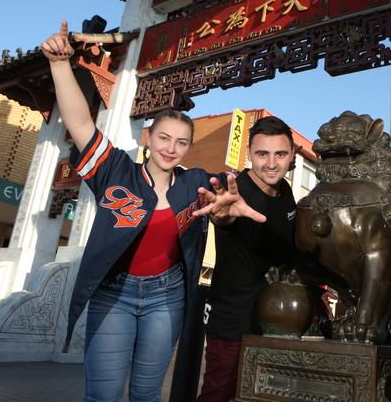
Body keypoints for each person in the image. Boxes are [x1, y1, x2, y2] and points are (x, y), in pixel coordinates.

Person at [41, 21, 265, 402]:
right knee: (104, 394)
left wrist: (227, 211)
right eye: (163, 138)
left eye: (181, 142)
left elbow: (232, 193)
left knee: (147, 393)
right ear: (149, 139)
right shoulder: (116, 170)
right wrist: (61, 65)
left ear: (189, 148)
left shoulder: (195, 182)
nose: (171, 148)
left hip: (166, 296)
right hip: (115, 293)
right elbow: (80, 123)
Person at [195, 116, 298, 402]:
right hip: (234, 320)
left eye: (280, 154)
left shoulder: (287, 191)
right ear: (249, 153)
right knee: (219, 394)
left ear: (292, 155)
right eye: (262, 154)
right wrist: (222, 217)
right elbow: (224, 217)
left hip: (277, 320)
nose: (271, 163)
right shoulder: (233, 192)